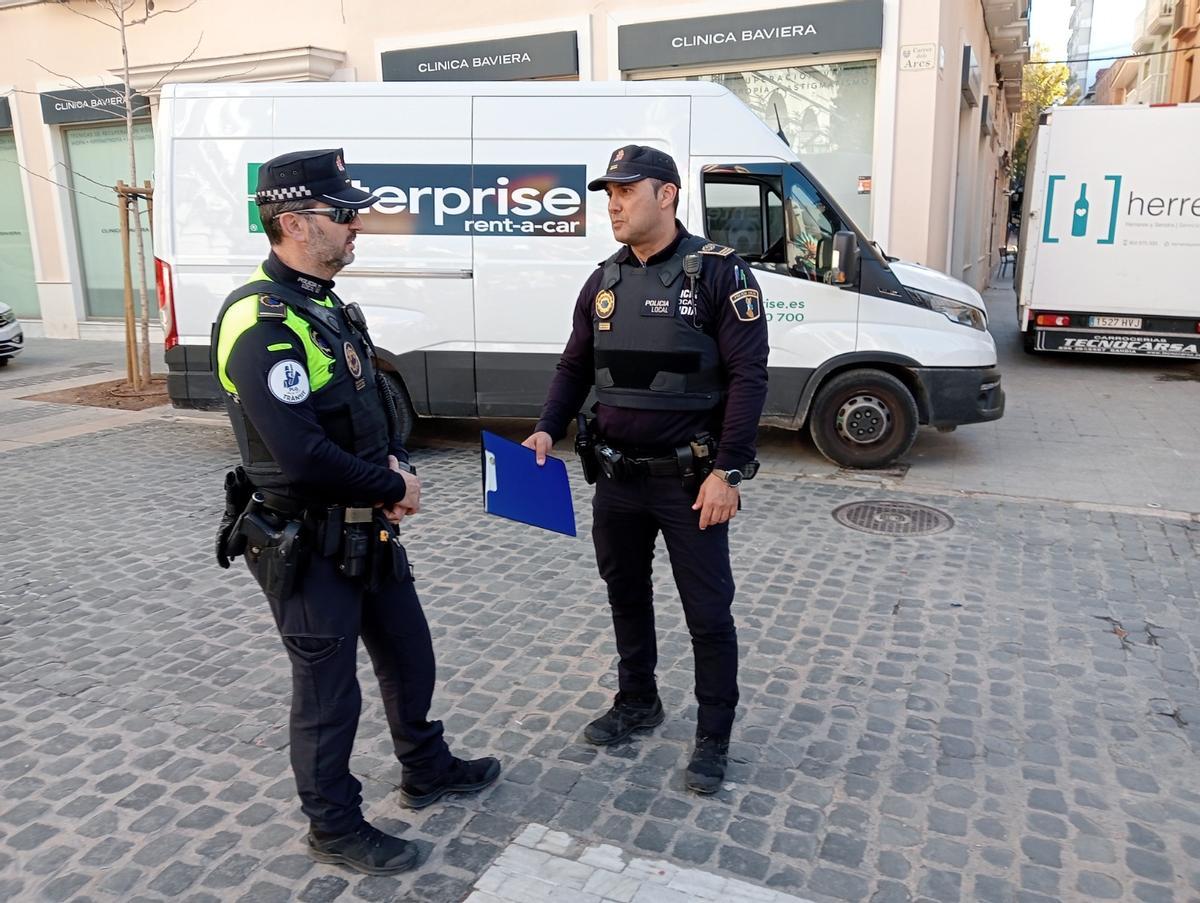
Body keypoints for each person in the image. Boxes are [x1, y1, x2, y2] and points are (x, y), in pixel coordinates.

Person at [212, 148, 499, 875]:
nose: (355, 225)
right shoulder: (260, 320)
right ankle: (334, 825)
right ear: (297, 222)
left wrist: (392, 465)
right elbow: (302, 453)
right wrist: (390, 485)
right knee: (327, 693)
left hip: (363, 527)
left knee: (409, 652)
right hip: (304, 541)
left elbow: (365, 406)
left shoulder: (325, 303)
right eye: (343, 214)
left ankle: (425, 765)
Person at [522, 145, 769, 793]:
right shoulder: (603, 280)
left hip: (691, 483)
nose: (613, 203)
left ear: (668, 195)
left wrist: (729, 470)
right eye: (609, 192)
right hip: (617, 479)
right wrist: (548, 426)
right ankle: (638, 698)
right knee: (625, 592)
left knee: (708, 611)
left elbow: (749, 376)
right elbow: (575, 365)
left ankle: (713, 732)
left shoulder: (720, 274)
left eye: (627, 191)